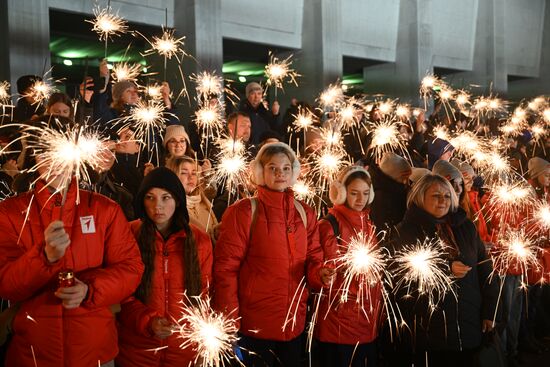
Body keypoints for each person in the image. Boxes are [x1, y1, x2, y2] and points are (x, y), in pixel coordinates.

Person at [0, 117, 144, 366]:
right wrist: (43, 257)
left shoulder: (105, 210)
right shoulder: (10, 213)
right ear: (35, 157)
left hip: (94, 352)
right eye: (46, 152)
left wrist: (89, 290)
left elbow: (131, 269)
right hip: (33, 353)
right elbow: (6, 284)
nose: (55, 162)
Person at [213, 142, 332, 367]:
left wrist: (320, 274)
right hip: (254, 326)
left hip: (293, 323)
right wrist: (229, 319)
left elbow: (314, 257)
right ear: (260, 172)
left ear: (293, 171)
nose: (280, 173)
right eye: (273, 168)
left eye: (286, 168)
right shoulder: (244, 211)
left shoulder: (305, 212)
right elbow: (225, 268)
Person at [383, 174, 498, 367]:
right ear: (420, 197)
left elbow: (485, 269)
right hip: (429, 331)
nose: (442, 201)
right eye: (436, 196)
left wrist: (490, 310)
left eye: (447, 196)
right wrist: (445, 270)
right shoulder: (405, 232)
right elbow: (400, 276)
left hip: (469, 323)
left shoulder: (466, 227)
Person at [116, 167, 213, 367]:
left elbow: (205, 293)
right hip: (137, 350)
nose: (157, 206)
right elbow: (121, 293)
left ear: (177, 200)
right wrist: (147, 321)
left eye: (165, 197)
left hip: (183, 350)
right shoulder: (129, 234)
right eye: (150, 197)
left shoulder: (198, 240)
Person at [316, 165, 382, 367]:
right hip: (340, 318)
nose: (360, 199)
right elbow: (329, 269)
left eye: (364, 193)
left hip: (366, 315)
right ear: (341, 193)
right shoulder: (329, 225)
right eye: (354, 193)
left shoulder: (368, 222)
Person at [166, 156, 218, 236]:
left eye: (194, 173)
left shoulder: (203, 202)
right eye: (184, 173)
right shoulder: (170, 209)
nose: (191, 177)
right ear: (173, 176)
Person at [369, 152, 412, 231]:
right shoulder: (381, 198)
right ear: (395, 175)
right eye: (405, 178)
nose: (408, 182)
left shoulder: (396, 190)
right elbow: (383, 228)